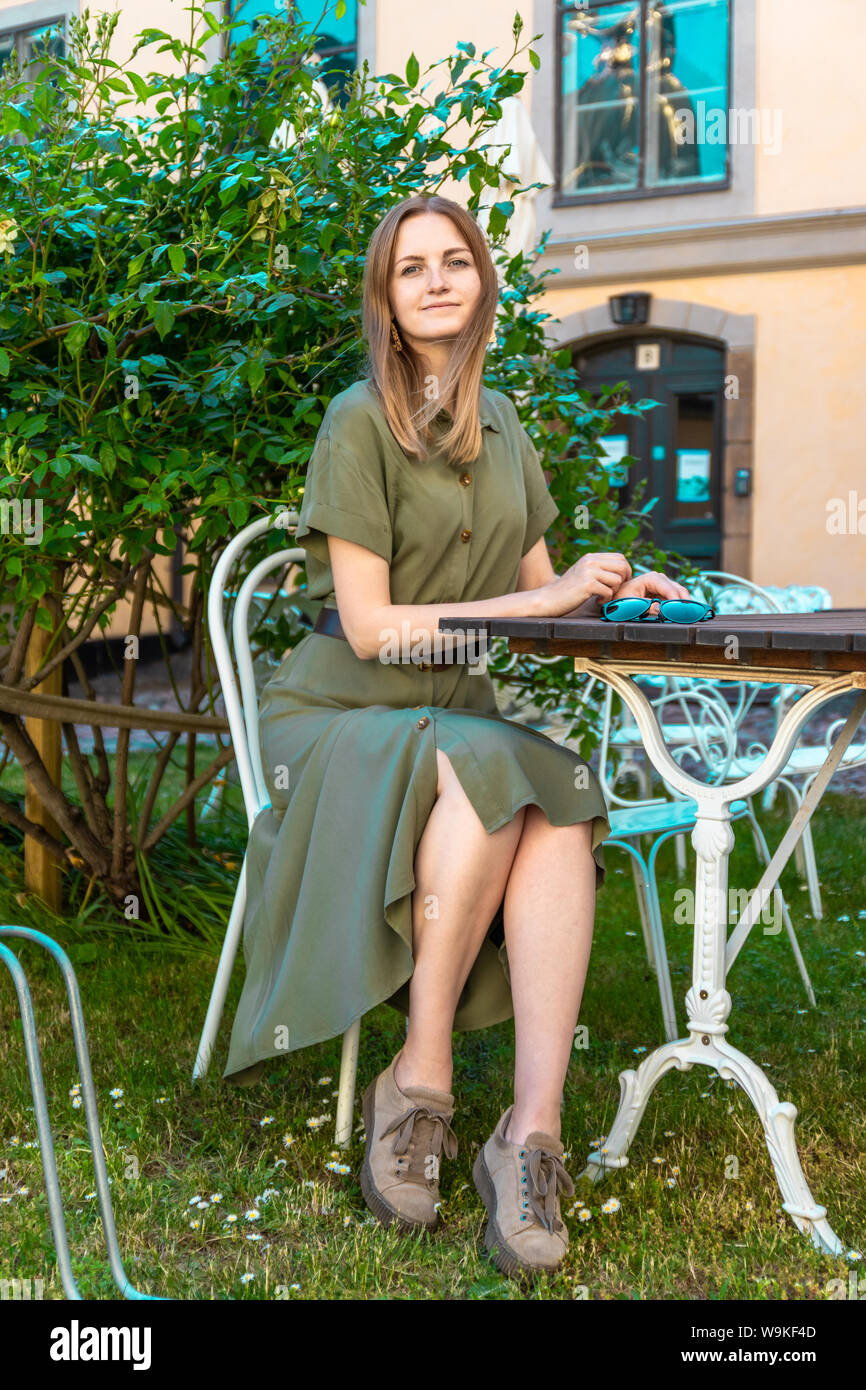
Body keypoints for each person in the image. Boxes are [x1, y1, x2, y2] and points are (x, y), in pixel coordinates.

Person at [222, 192, 692, 1280]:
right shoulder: (358, 421)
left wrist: (616, 597)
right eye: (409, 268)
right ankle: (419, 1079)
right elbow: (372, 627)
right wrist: (547, 601)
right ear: (386, 303)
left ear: (482, 283)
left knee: (559, 794)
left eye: (455, 262)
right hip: (344, 712)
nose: (435, 280)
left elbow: (539, 600)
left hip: (455, 717)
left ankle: (527, 1135)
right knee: (496, 772)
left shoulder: (506, 423)